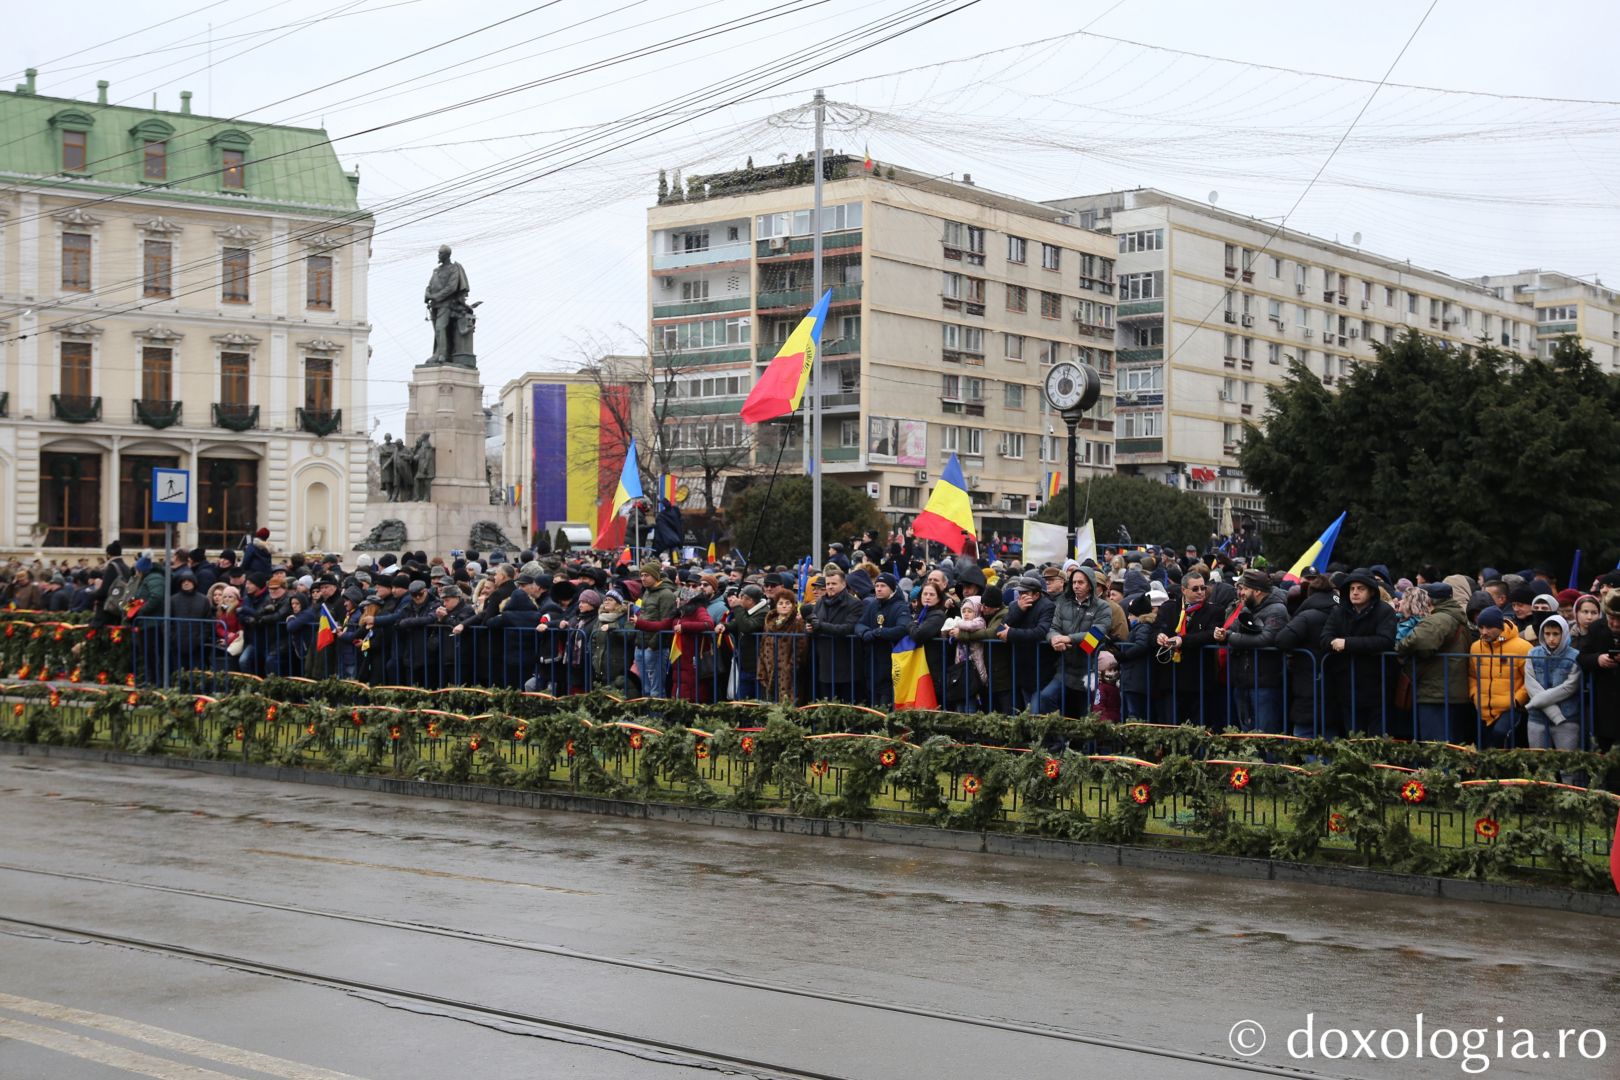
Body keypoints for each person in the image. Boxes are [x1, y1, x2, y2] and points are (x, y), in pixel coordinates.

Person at [1319, 568, 1398, 737]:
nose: (1355, 593)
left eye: (1360, 589)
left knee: (1377, 738)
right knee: (1353, 737)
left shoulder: (1384, 611)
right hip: (1347, 685)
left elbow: (1385, 641)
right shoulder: (1339, 611)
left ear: (1371, 591)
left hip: (1378, 684)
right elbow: (1325, 638)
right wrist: (1337, 643)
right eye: (1352, 589)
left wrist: (1347, 643)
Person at [1396, 582, 1473, 743]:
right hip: (1452, 690)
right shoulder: (1456, 616)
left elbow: (1420, 642)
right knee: (1452, 743)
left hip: (1436, 691)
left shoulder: (1439, 619)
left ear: (1429, 600)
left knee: (1435, 745)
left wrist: (1400, 646)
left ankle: (1439, 770)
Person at [1034, 566, 1113, 717]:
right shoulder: (1063, 603)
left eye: (1081, 582)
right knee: (1045, 697)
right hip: (1064, 668)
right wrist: (1054, 640)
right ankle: (1058, 740)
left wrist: (1069, 638)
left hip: (1089, 670)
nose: (1076, 585)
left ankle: (1080, 742)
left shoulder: (1102, 607)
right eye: (1074, 582)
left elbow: (1096, 634)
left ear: (1090, 584)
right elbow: (1052, 628)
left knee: (1083, 714)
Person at [1469, 605, 1530, 748]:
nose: (1484, 632)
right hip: (1483, 707)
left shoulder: (1522, 647)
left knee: (1501, 738)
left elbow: (1530, 679)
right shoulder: (1475, 647)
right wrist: (1474, 695)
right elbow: (1472, 676)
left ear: (1500, 626)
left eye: (1489, 627)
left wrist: (1517, 700)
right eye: (1481, 627)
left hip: (1510, 708)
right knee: (1482, 745)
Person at [1524, 615, 1583, 759]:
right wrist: (1554, 713)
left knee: (1568, 766)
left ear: (1564, 634)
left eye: (1556, 634)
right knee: (1539, 764)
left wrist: (1538, 702)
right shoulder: (1533, 653)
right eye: (1547, 634)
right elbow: (1530, 684)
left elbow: (1569, 687)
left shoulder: (1575, 656)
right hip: (1537, 718)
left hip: (1566, 718)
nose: (1551, 638)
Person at [807, 564, 863, 703]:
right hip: (825, 662)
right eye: (828, 584)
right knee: (827, 704)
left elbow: (847, 628)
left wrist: (820, 626)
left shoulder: (854, 603)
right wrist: (809, 629)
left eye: (834, 583)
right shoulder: (820, 602)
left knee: (847, 705)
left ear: (843, 584)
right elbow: (814, 622)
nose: (830, 586)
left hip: (846, 662)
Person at [856, 573, 912, 708]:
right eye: (877, 586)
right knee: (873, 700)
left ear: (892, 588)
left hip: (891, 662)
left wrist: (880, 633)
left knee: (886, 703)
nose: (879, 589)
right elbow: (859, 624)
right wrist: (865, 632)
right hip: (872, 662)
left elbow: (903, 628)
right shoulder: (873, 605)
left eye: (883, 586)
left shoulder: (900, 606)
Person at [1000, 574, 1055, 710]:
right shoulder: (1015, 605)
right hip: (1021, 669)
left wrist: (1011, 633)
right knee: (1025, 711)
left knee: (1036, 712)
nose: (1021, 596)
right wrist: (1019, 610)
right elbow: (1000, 628)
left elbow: (1040, 632)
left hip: (1040, 668)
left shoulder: (1047, 606)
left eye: (1025, 593)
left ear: (1036, 595)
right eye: (1020, 592)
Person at [631, 562, 677, 699]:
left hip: (655, 647)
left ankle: (657, 718)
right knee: (645, 688)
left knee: (656, 689)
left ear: (656, 576)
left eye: (647, 575)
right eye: (641, 575)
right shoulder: (646, 592)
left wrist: (653, 645)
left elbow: (666, 623)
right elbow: (644, 614)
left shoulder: (666, 594)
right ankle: (646, 718)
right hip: (641, 644)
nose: (643, 578)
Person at [757, 593, 806, 705]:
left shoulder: (797, 623)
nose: (784, 606)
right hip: (770, 668)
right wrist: (761, 668)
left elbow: (800, 648)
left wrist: (792, 666)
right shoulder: (769, 623)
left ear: (793, 605)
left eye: (787, 603)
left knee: (788, 702)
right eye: (780, 603)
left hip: (788, 672)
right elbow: (762, 646)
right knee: (770, 701)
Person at [726, 584, 770, 701]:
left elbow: (747, 626)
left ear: (750, 600)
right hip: (745, 664)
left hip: (757, 665)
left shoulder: (763, 612)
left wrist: (737, 608)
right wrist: (723, 626)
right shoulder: (748, 610)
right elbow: (736, 624)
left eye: (742, 597)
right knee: (741, 700)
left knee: (758, 700)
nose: (739, 600)